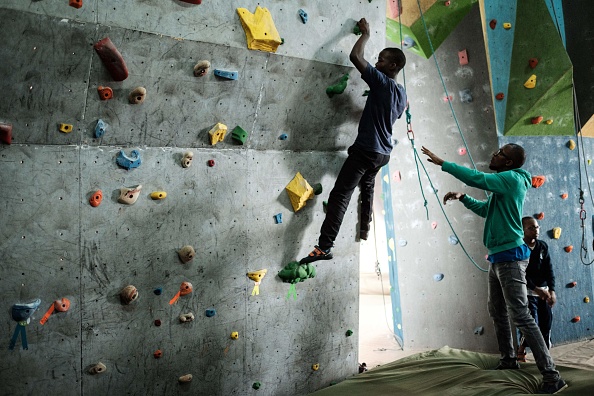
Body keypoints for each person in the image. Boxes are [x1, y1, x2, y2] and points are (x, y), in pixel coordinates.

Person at [420, 144, 567, 394]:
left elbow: (477, 178)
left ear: (509, 163)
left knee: (520, 315)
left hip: (510, 257)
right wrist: (463, 198)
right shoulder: (504, 185)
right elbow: (486, 210)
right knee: (497, 311)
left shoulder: (510, 179)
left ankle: (552, 376)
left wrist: (442, 162)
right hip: (498, 257)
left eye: (499, 153)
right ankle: (508, 359)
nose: (494, 154)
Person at [299, 18, 407, 264]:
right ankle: (365, 228)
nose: (377, 62)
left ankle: (325, 246)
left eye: (381, 59)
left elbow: (355, 57)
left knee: (340, 195)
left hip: (367, 151)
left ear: (392, 65)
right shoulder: (401, 93)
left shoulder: (381, 82)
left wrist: (366, 35)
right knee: (367, 185)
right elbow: (393, 115)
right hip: (382, 154)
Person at [517, 216, 557, 362]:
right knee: (532, 324)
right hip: (529, 293)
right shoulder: (519, 248)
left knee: (546, 323)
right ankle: (521, 350)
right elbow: (521, 273)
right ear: (523, 230)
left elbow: (549, 270)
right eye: (531, 228)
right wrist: (536, 289)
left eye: (537, 227)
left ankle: (546, 357)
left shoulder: (542, 246)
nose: (536, 230)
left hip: (544, 292)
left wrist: (552, 291)